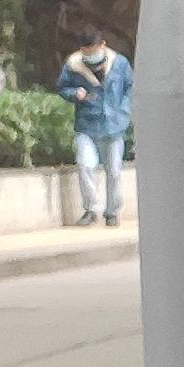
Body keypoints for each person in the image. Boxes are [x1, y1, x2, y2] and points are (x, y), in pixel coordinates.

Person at [53, 26, 133, 226]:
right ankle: (91, 210)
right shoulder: (73, 65)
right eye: (86, 52)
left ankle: (112, 212)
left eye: (93, 51)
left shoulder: (120, 63)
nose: (90, 56)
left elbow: (130, 88)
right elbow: (62, 88)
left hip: (114, 127)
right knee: (85, 165)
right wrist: (74, 93)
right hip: (86, 126)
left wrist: (123, 112)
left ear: (102, 45)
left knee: (114, 171)